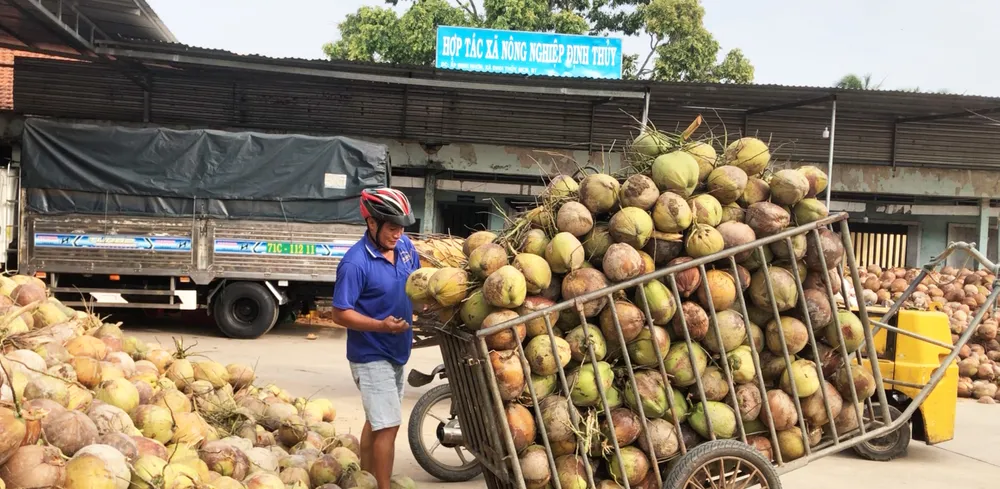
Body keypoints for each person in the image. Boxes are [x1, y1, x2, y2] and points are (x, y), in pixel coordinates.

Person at [331, 187, 419, 489]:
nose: (398, 234)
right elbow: (340, 313)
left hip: (396, 350)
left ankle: (365, 481)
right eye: (392, 228)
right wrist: (381, 326)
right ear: (372, 223)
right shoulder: (356, 263)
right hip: (371, 354)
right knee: (389, 427)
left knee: (377, 421)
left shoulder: (406, 247)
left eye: (402, 228)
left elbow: (416, 284)